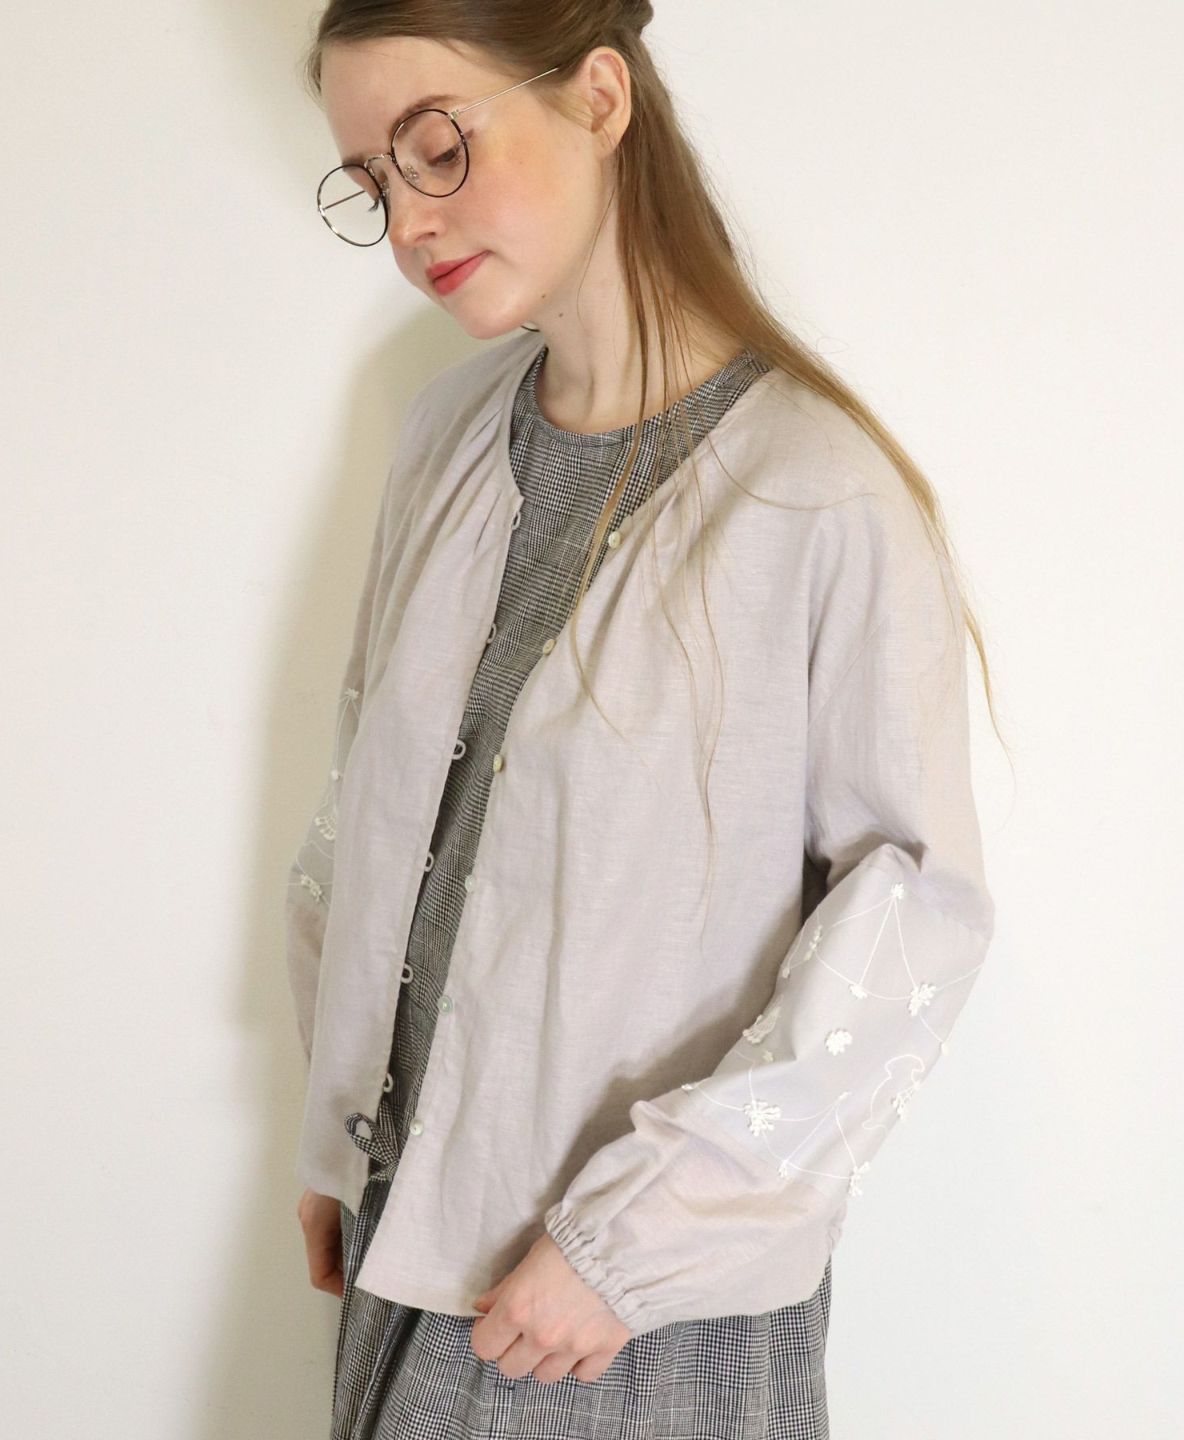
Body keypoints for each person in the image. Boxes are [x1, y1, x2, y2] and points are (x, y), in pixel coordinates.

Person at [284, 4, 1001, 1438]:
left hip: (632, 1322)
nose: (409, 221)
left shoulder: (811, 491)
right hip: (406, 1241)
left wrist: (632, 1246)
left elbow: (912, 916)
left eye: (437, 145)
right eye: (371, 180)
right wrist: (343, 1131)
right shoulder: (443, 438)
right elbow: (374, 813)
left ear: (600, 97)